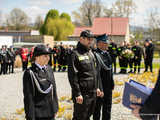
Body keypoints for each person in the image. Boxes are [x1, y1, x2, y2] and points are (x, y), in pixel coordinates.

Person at [68, 30, 103, 120]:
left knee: (87, 116)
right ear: (81, 39)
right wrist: (77, 93)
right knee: (79, 117)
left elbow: (95, 72)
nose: (90, 41)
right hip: (82, 95)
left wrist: (97, 87)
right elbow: (73, 76)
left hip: (92, 93)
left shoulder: (91, 53)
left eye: (92, 39)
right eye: (88, 39)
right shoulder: (75, 54)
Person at [23, 44, 59, 120]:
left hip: (50, 112)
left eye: (49, 56)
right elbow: (29, 98)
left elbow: (54, 89)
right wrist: (30, 117)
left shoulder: (49, 69)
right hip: (38, 114)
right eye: (45, 56)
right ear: (37, 57)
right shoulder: (30, 73)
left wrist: (55, 107)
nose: (48, 58)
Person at [93, 34, 114, 120]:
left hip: (108, 86)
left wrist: (112, 83)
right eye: (105, 43)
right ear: (99, 43)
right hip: (100, 86)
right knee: (97, 109)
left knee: (107, 108)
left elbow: (110, 70)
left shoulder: (107, 54)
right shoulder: (95, 55)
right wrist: (98, 87)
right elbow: (95, 73)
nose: (107, 45)